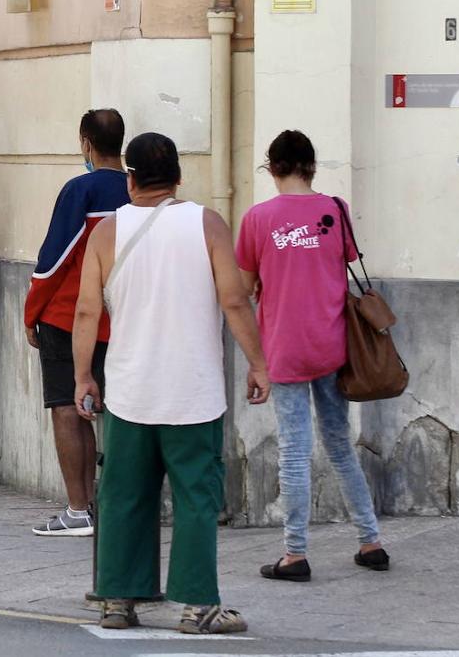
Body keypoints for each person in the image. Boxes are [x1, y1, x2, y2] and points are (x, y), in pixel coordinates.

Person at [72, 132, 269, 635]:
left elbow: (88, 311)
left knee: (123, 495)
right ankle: (198, 606)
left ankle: (118, 600)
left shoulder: (106, 233)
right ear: (178, 177)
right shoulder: (207, 223)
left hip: (130, 390)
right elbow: (234, 300)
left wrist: (83, 375)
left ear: (130, 179)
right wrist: (258, 363)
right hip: (193, 390)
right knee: (196, 498)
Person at [236, 130, 388, 582]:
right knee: (340, 444)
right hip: (331, 344)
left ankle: (295, 554)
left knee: (295, 451)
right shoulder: (335, 210)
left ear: (272, 167)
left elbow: (244, 288)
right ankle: (371, 541)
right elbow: (343, 262)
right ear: (312, 166)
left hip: (283, 348)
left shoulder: (257, 218)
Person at [24, 109, 129, 536]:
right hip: (123, 320)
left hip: (68, 318)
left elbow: (53, 260)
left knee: (68, 410)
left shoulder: (79, 190)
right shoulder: (137, 190)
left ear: (86, 143)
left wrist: (31, 312)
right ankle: (114, 508)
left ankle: (77, 508)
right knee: (117, 413)